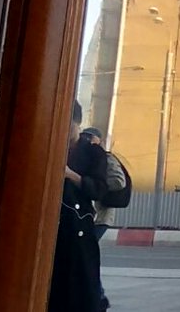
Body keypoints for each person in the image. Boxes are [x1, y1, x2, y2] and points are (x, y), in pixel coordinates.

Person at [48, 103, 109, 312]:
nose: (66, 132)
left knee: (81, 285)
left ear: (78, 123)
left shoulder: (93, 152)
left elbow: (99, 189)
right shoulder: (53, 145)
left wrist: (70, 174)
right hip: (53, 226)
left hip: (79, 227)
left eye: (70, 126)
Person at [82, 127, 124, 311]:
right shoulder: (87, 157)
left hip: (101, 217)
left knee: (86, 256)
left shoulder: (106, 158)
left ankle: (98, 297)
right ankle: (96, 296)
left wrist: (96, 186)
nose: (87, 141)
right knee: (84, 256)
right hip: (88, 216)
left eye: (89, 138)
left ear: (97, 140)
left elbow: (119, 181)